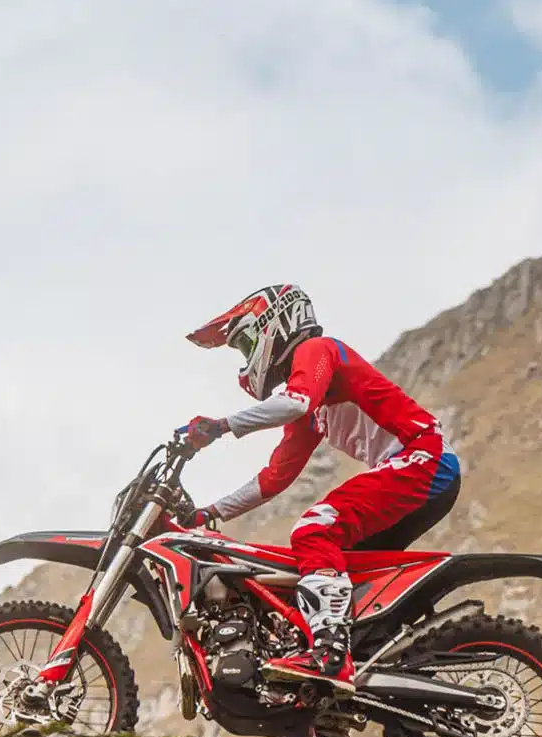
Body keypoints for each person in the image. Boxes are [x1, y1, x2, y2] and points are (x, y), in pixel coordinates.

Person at [178, 284, 462, 685]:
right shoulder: (311, 406)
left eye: (245, 344)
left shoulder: (317, 351)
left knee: (315, 528)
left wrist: (222, 426)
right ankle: (368, 656)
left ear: (273, 325)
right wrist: (211, 511)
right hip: (417, 469)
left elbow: (294, 402)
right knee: (326, 564)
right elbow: (276, 476)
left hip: (424, 457)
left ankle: (328, 656)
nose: (246, 359)